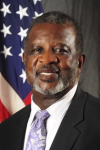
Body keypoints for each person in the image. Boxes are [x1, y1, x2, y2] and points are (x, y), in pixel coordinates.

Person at [0, 11, 100, 150]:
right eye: (37, 49)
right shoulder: (5, 130)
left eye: (60, 50)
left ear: (79, 63)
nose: (46, 60)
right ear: (24, 60)